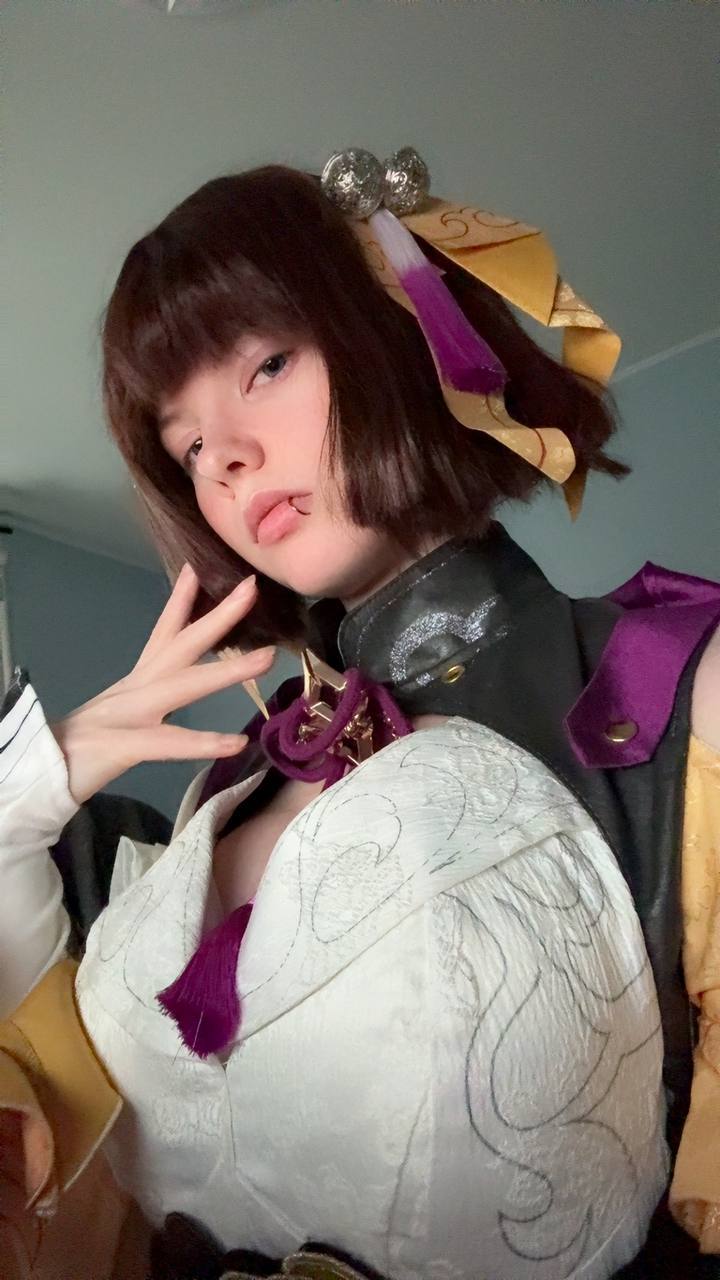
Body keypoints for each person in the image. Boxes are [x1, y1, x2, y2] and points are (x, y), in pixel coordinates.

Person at [1, 149, 719, 1280]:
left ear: (397, 327)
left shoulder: (672, 687)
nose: (228, 460)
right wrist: (26, 789)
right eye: (189, 445)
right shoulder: (224, 790)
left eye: (267, 364)